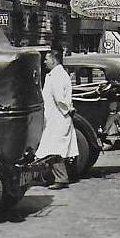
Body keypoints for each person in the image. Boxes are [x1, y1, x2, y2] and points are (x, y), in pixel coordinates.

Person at [36, 51, 81, 190]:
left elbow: (59, 98)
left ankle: (61, 179)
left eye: (46, 59)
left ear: (54, 61)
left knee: (55, 149)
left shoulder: (57, 76)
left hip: (58, 118)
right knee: (52, 148)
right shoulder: (55, 74)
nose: (44, 62)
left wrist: (67, 109)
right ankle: (53, 177)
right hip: (54, 117)